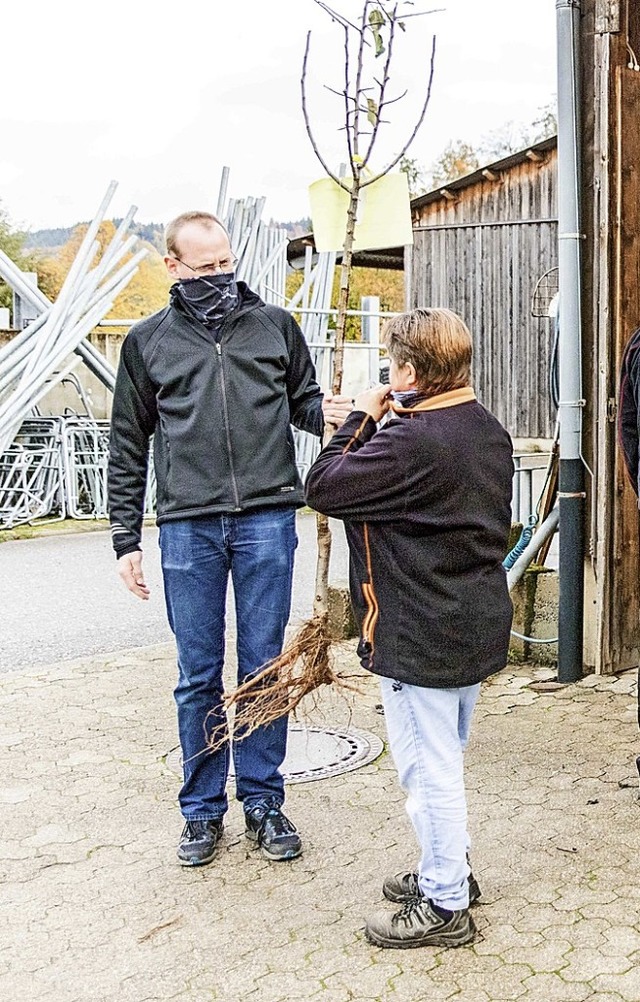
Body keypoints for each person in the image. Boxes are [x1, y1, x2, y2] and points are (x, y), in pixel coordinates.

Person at [107, 210, 352, 867]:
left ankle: (265, 802)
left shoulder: (275, 326)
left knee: (265, 668)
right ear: (173, 267)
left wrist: (325, 411)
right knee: (197, 674)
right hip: (188, 527)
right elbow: (128, 445)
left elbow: (299, 400)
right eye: (204, 267)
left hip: (269, 518)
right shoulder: (147, 342)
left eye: (226, 264)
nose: (219, 277)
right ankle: (202, 812)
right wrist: (123, 538)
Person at [305, 307, 514, 949]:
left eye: (394, 364)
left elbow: (324, 486)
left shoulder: (411, 440)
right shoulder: (484, 427)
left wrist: (363, 416)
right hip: (471, 618)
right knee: (443, 759)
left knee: (428, 774)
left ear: (410, 371)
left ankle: (446, 904)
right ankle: (448, 870)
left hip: (419, 626)